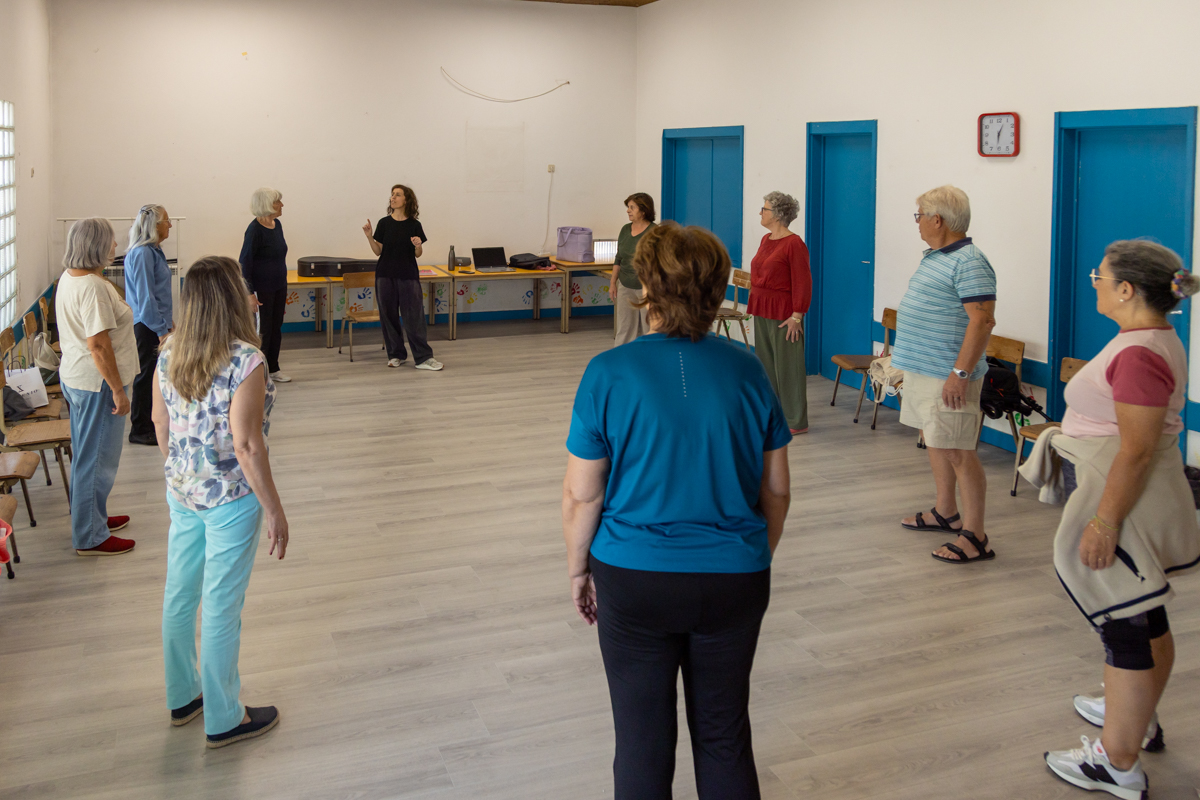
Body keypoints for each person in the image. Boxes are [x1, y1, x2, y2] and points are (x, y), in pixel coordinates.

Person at [563, 222, 792, 799]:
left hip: (634, 577)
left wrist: (577, 569)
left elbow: (583, 494)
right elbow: (777, 491)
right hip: (735, 576)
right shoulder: (749, 370)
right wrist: (751, 555)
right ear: (716, 290)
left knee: (641, 739)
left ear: (646, 286)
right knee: (724, 735)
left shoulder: (607, 372)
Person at [1043, 241, 1200, 800]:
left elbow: (1136, 450)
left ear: (1127, 289)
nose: (1095, 282)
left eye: (1100, 276)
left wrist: (1105, 523)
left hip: (1125, 501)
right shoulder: (1145, 339)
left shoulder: (1139, 353)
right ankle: (1135, 717)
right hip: (1124, 491)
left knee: (1124, 624)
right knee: (1145, 614)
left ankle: (1117, 763)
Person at [153, 255, 289, 749]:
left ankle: (183, 696)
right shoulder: (246, 360)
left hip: (182, 491)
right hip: (231, 498)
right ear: (234, 297)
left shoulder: (169, 350)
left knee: (180, 593)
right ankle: (225, 717)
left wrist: (184, 473)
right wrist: (274, 509)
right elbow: (247, 445)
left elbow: (161, 422)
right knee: (221, 607)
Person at [892, 185, 998, 564]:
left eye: (919, 216)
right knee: (935, 441)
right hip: (925, 370)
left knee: (957, 449)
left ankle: (975, 536)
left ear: (937, 220)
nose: (917, 223)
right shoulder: (937, 257)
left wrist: (960, 372)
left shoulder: (969, 262)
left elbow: (982, 321)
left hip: (948, 375)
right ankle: (946, 512)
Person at [56, 218, 139, 556]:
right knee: (97, 461)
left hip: (77, 379)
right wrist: (118, 390)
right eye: (111, 241)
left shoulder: (71, 277)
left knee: (86, 455)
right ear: (97, 246)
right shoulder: (92, 287)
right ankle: (90, 535)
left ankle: (92, 517)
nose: (116, 246)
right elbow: (99, 345)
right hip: (98, 385)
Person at [748, 191, 812, 434]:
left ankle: (795, 421)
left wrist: (797, 316)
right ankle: (773, 415)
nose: (761, 212)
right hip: (762, 308)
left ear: (777, 214)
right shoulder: (766, 239)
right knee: (766, 365)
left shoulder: (794, 244)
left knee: (788, 368)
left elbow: (803, 282)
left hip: (784, 314)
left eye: (764, 209)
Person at [361, 184, 442, 371]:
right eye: (392, 195)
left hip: (408, 275)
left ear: (406, 200)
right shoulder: (384, 223)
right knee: (388, 317)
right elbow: (378, 251)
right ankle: (395, 354)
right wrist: (369, 237)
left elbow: (417, 254)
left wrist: (418, 245)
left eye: (397, 195)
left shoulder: (414, 225)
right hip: (384, 275)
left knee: (414, 317)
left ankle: (423, 358)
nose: (393, 197)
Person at [123, 204, 173, 445]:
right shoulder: (143, 253)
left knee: (155, 375)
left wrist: (168, 322)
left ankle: (152, 422)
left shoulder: (154, 251)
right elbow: (146, 299)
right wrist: (161, 330)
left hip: (155, 322)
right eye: (167, 221)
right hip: (147, 325)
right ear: (155, 226)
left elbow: (158, 293)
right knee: (146, 377)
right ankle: (140, 429)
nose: (170, 225)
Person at [238, 187, 291, 383]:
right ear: (267, 204)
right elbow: (244, 263)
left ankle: (273, 368)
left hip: (279, 286)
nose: (282, 205)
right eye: (278, 202)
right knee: (263, 331)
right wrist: (249, 294)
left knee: (276, 327)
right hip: (261, 291)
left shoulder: (277, 225)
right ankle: (257, 374)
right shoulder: (254, 230)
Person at [608, 192, 657, 345]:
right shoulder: (625, 229)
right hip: (625, 285)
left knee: (649, 327)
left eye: (632, 207)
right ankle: (621, 356)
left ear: (643, 211)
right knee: (624, 328)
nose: (628, 210)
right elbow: (618, 258)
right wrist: (613, 283)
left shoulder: (655, 232)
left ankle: (649, 356)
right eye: (628, 207)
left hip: (647, 288)